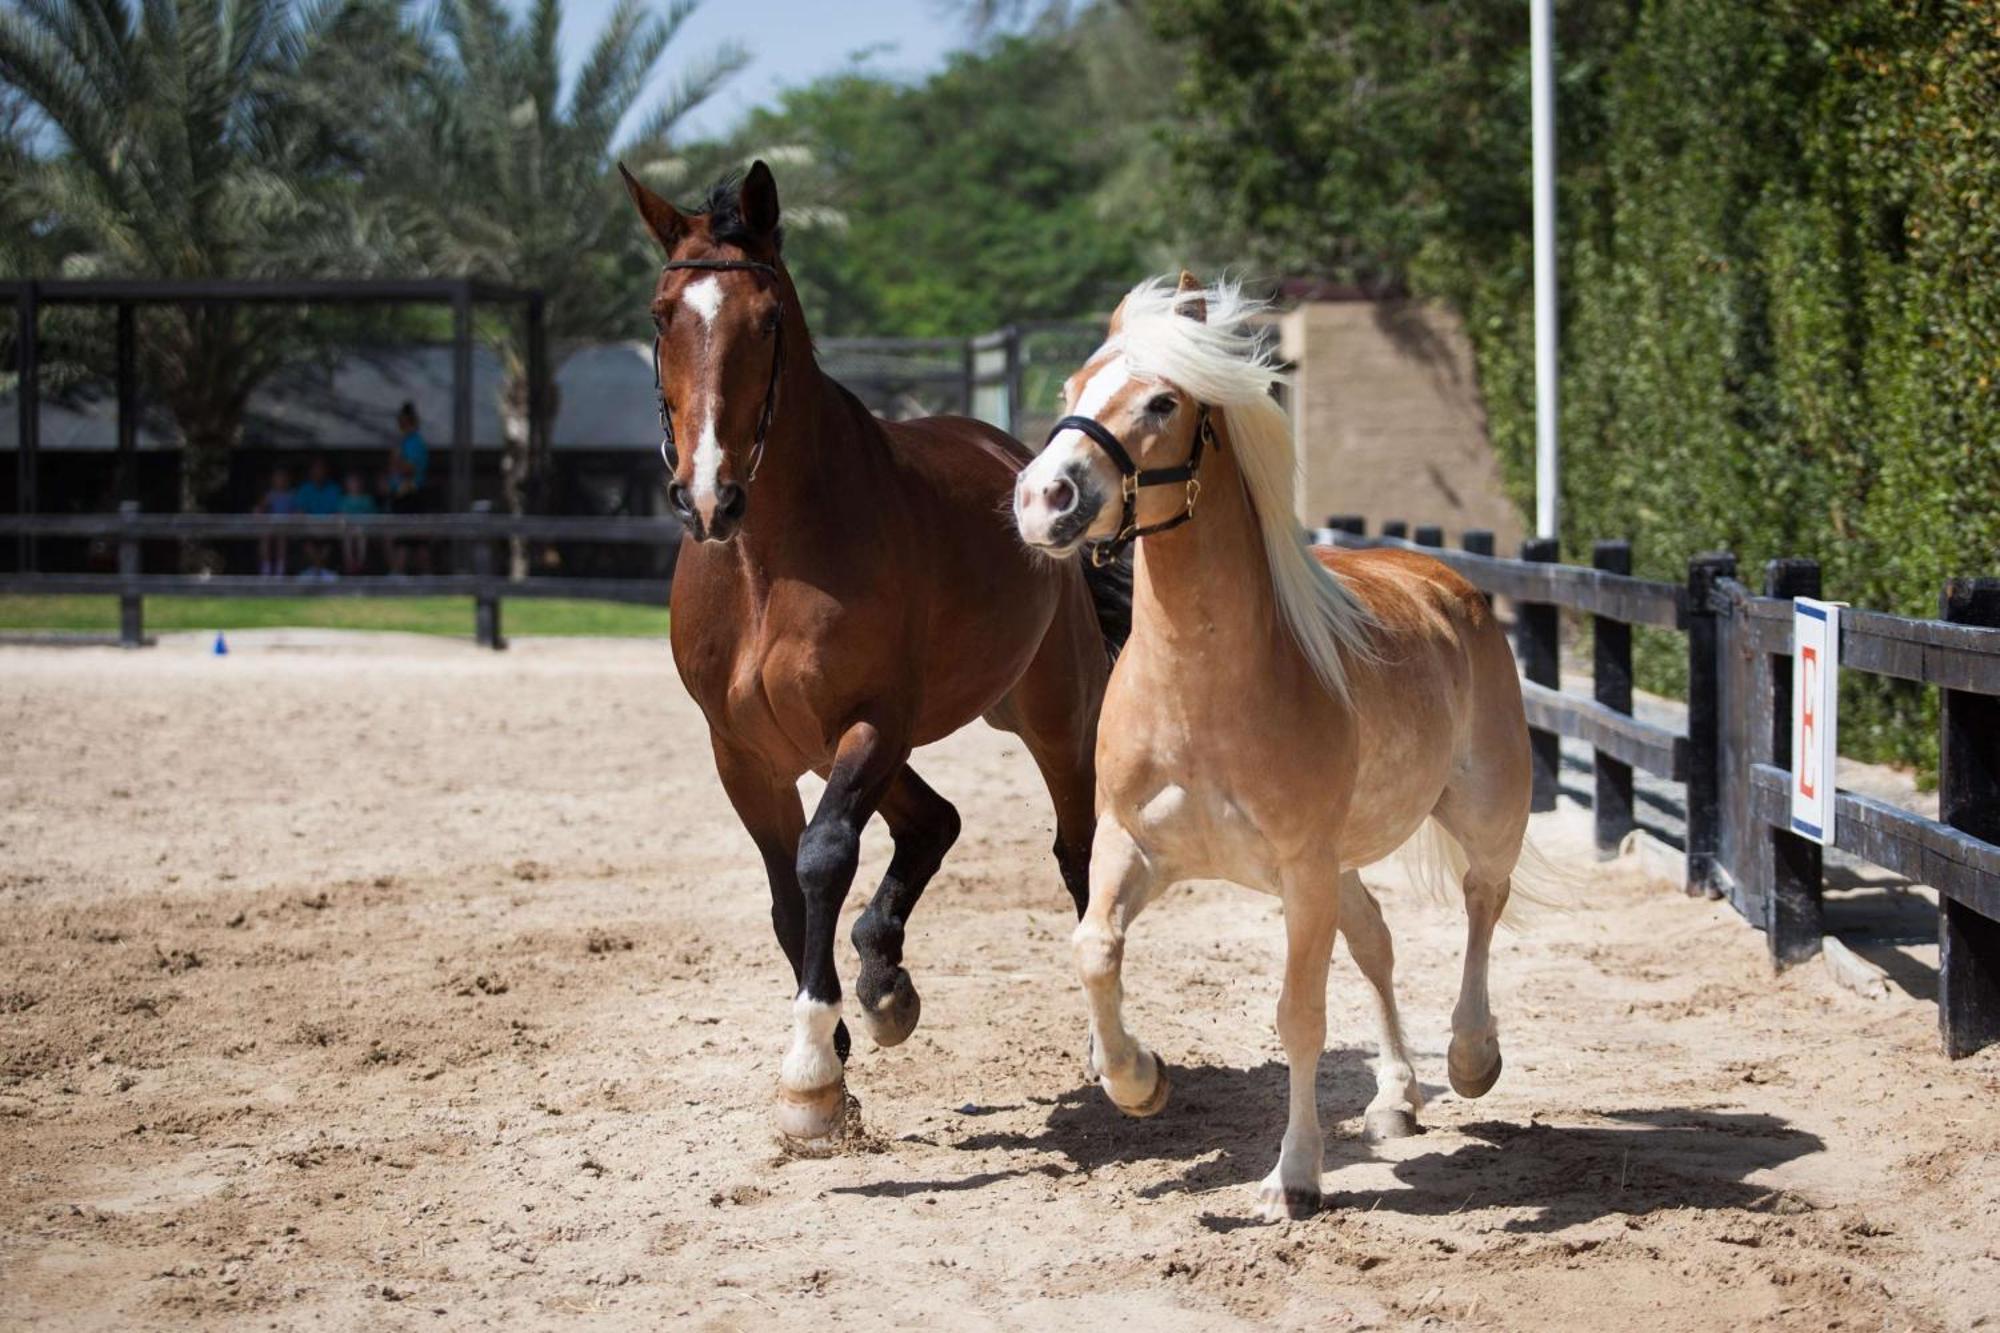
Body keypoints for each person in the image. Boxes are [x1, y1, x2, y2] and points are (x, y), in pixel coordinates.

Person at [386, 402, 432, 575]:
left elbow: (409, 469)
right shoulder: (404, 441)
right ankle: (399, 573)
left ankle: (404, 574)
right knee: (401, 538)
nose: (400, 424)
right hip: (400, 496)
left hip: (412, 495)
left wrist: (397, 458)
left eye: (403, 421)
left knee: (411, 540)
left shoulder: (415, 443)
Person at [293, 455, 343, 580]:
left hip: (329, 527)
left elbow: (338, 512)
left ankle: (317, 572)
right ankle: (319, 571)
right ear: (311, 471)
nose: (319, 471)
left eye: (321, 468)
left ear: (326, 471)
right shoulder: (305, 489)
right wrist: (311, 525)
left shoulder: (334, 489)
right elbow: (300, 512)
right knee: (304, 538)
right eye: (316, 468)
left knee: (332, 538)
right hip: (309, 527)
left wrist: (327, 524)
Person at [255, 467, 297, 577]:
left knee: (281, 537)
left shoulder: (291, 495)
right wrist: (258, 510)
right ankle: (266, 569)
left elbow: (297, 512)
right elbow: (260, 509)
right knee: (265, 536)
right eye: (277, 478)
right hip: (271, 525)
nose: (280, 480)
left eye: (282, 478)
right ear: (273, 480)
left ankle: (280, 570)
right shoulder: (270, 495)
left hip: (287, 526)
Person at [337, 470, 378, 575]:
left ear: (361, 483)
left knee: (361, 534)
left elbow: (373, 517)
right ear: (347, 485)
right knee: (347, 534)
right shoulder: (344, 500)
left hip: (364, 529)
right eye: (351, 482)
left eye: (356, 482)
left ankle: (360, 564)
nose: (354, 484)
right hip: (348, 529)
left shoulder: (367, 499)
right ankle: (349, 564)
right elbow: (341, 516)